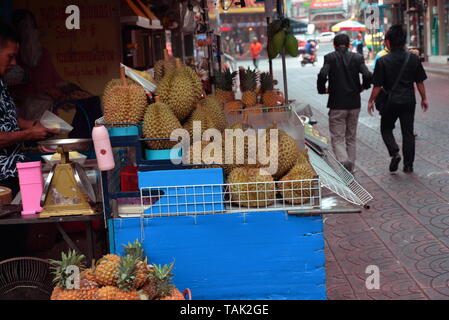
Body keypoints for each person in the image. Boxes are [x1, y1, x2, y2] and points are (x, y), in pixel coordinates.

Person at [0, 22, 58, 197]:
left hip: (14, 174)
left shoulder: (0, 81)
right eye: (10, 56)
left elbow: (7, 118)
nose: (15, 62)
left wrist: (33, 124)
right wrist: (29, 134)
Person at [368, 25, 428, 173]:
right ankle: (408, 165)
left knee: (386, 128)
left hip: (390, 102)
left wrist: (370, 101)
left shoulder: (383, 61)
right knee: (408, 133)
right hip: (408, 100)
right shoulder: (413, 59)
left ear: (388, 42)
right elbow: (419, 81)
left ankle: (394, 152)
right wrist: (424, 98)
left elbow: (377, 86)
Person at [317, 33, 372, 173]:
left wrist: (322, 89)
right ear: (349, 45)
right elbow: (367, 74)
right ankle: (350, 167)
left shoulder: (330, 57)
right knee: (351, 137)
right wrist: (364, 86)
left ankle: (343, 161)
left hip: (337, 104)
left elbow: (323, 74)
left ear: (334, 46)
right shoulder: (357, 58)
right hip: (354, 104)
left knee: (337, 137)